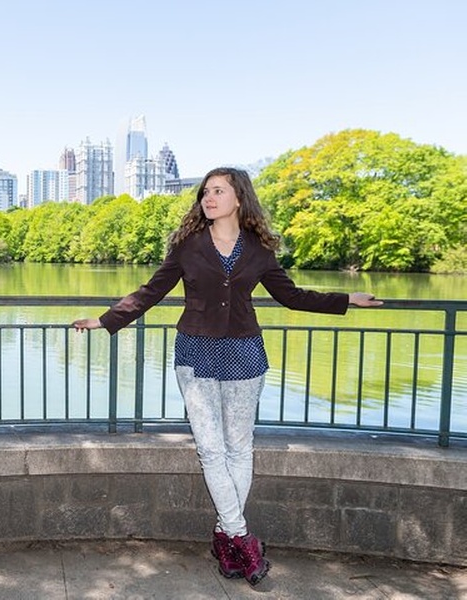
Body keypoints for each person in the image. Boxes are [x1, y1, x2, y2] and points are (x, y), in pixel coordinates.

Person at [73, 167, 383, 587]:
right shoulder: (187, 245)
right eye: (206, 191)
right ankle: (242, 539)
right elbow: (151, 291)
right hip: (196, 352)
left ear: (239, 198)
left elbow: (291, 296)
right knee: (210, 450)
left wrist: (347, 298)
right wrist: (105, 319)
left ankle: (226, 539)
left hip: (244, 353)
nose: (209, 197)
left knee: (239, 449)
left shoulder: (259, 250)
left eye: (218, 190)